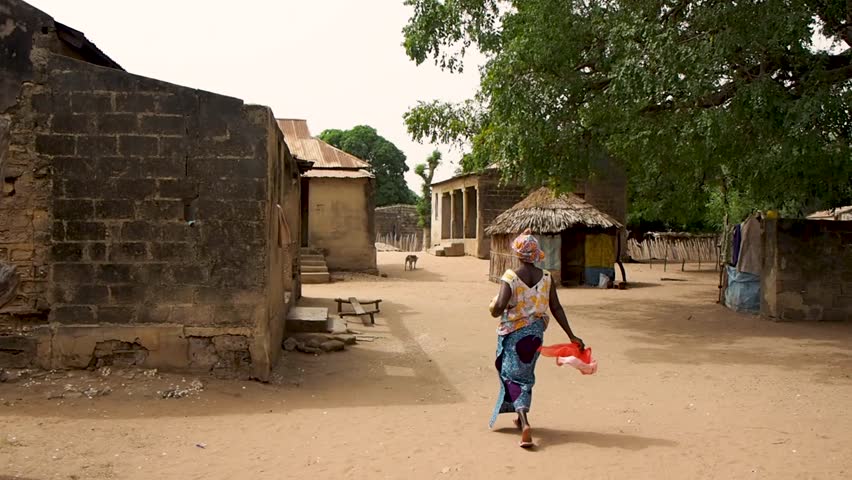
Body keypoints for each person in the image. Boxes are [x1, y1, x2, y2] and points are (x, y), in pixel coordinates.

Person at [488, 228, 585, 448]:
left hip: (513, 335)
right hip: (535, 335)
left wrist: (494, 310)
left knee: (511, 375)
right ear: (535, 254)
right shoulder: (547, 277)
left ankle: (524, 422)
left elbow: (500, 306)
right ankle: (519, 415)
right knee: (525, 375)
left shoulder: (510, 277)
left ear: (518, 254)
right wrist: (572, 335)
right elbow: (557, 308)